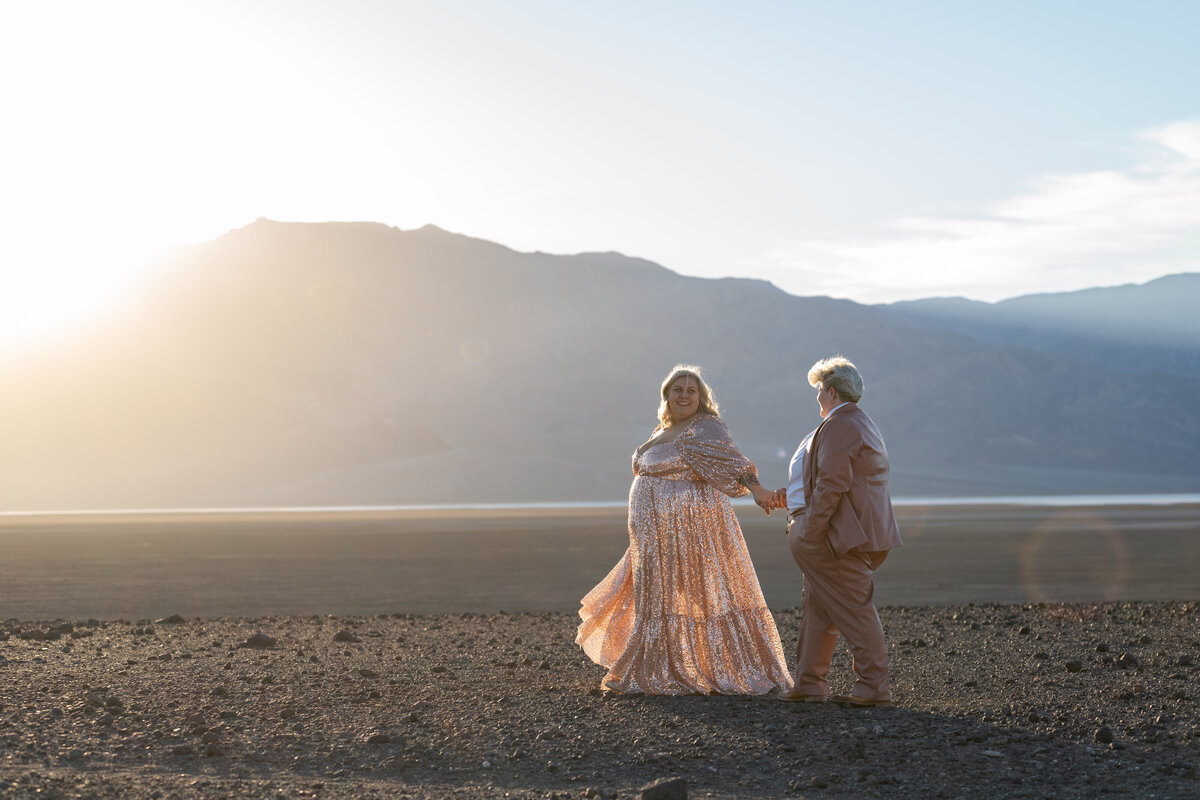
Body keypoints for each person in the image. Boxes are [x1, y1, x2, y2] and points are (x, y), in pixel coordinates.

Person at [576, 364, 793, 695]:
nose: (684, 395)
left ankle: (710, 669)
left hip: (687, 531)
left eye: (692, 390)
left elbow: (734, 463)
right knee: (655, 595)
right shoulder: (660, 431)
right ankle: (653, 667)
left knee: (696, 594)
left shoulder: (706, 427)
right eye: (678, 389)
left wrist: (759, 491)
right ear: (667, 396)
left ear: (701, 398)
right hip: (650, 535)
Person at [775, 356, 902, 706]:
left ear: (831, 391)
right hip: (838, 533)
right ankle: (809, 683)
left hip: (837, 536)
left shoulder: (841, 425)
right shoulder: (851, 423)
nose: (816, 397)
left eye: (819, 390)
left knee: (855, 607)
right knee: (820, 608)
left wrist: (811, 531)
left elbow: (833, 483)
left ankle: (874, 688)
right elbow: (824, 478)